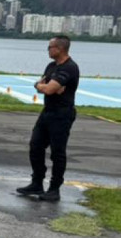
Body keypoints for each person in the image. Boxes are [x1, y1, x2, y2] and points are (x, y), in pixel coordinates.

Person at [17, 34, 80, 201]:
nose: (48, 50)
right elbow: (43, 86)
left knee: (57, 152)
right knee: (35, 146)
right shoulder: (51, 66)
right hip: (47, 112)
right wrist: (42, 86)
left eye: (50, 47)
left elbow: (49, 89)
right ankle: (37, 183)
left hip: (62, 114)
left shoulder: (69, 68)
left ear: (59, 49)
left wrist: (44, 86)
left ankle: (54, 189)